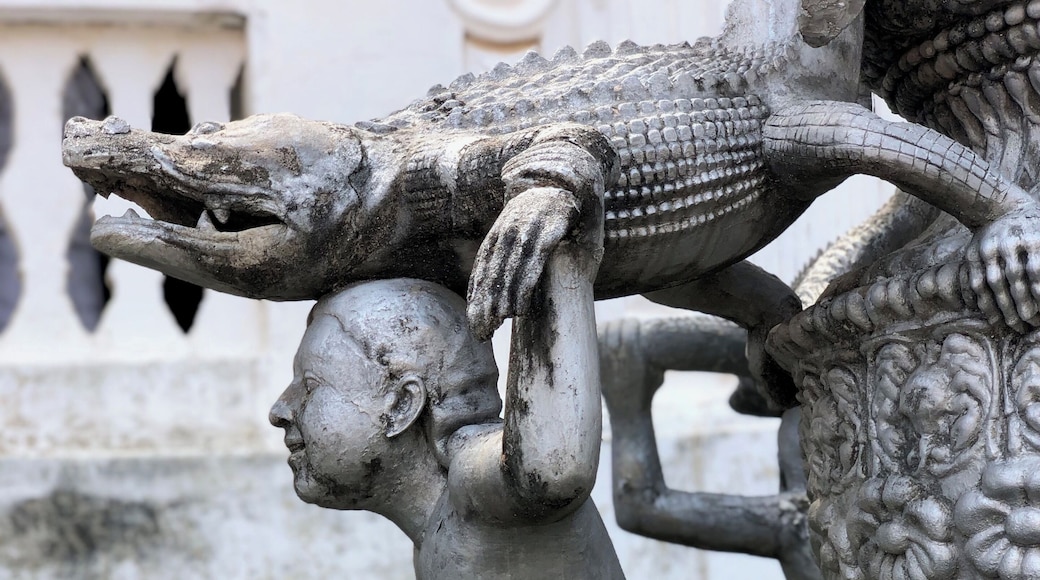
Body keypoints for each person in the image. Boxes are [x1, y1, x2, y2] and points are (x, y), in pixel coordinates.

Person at [268, 210, 624, 579]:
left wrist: (558, 246)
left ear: (402, 405)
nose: (279, 410)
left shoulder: (475, 485)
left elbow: (556, 468)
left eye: (310, 386)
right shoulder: (435, 534)